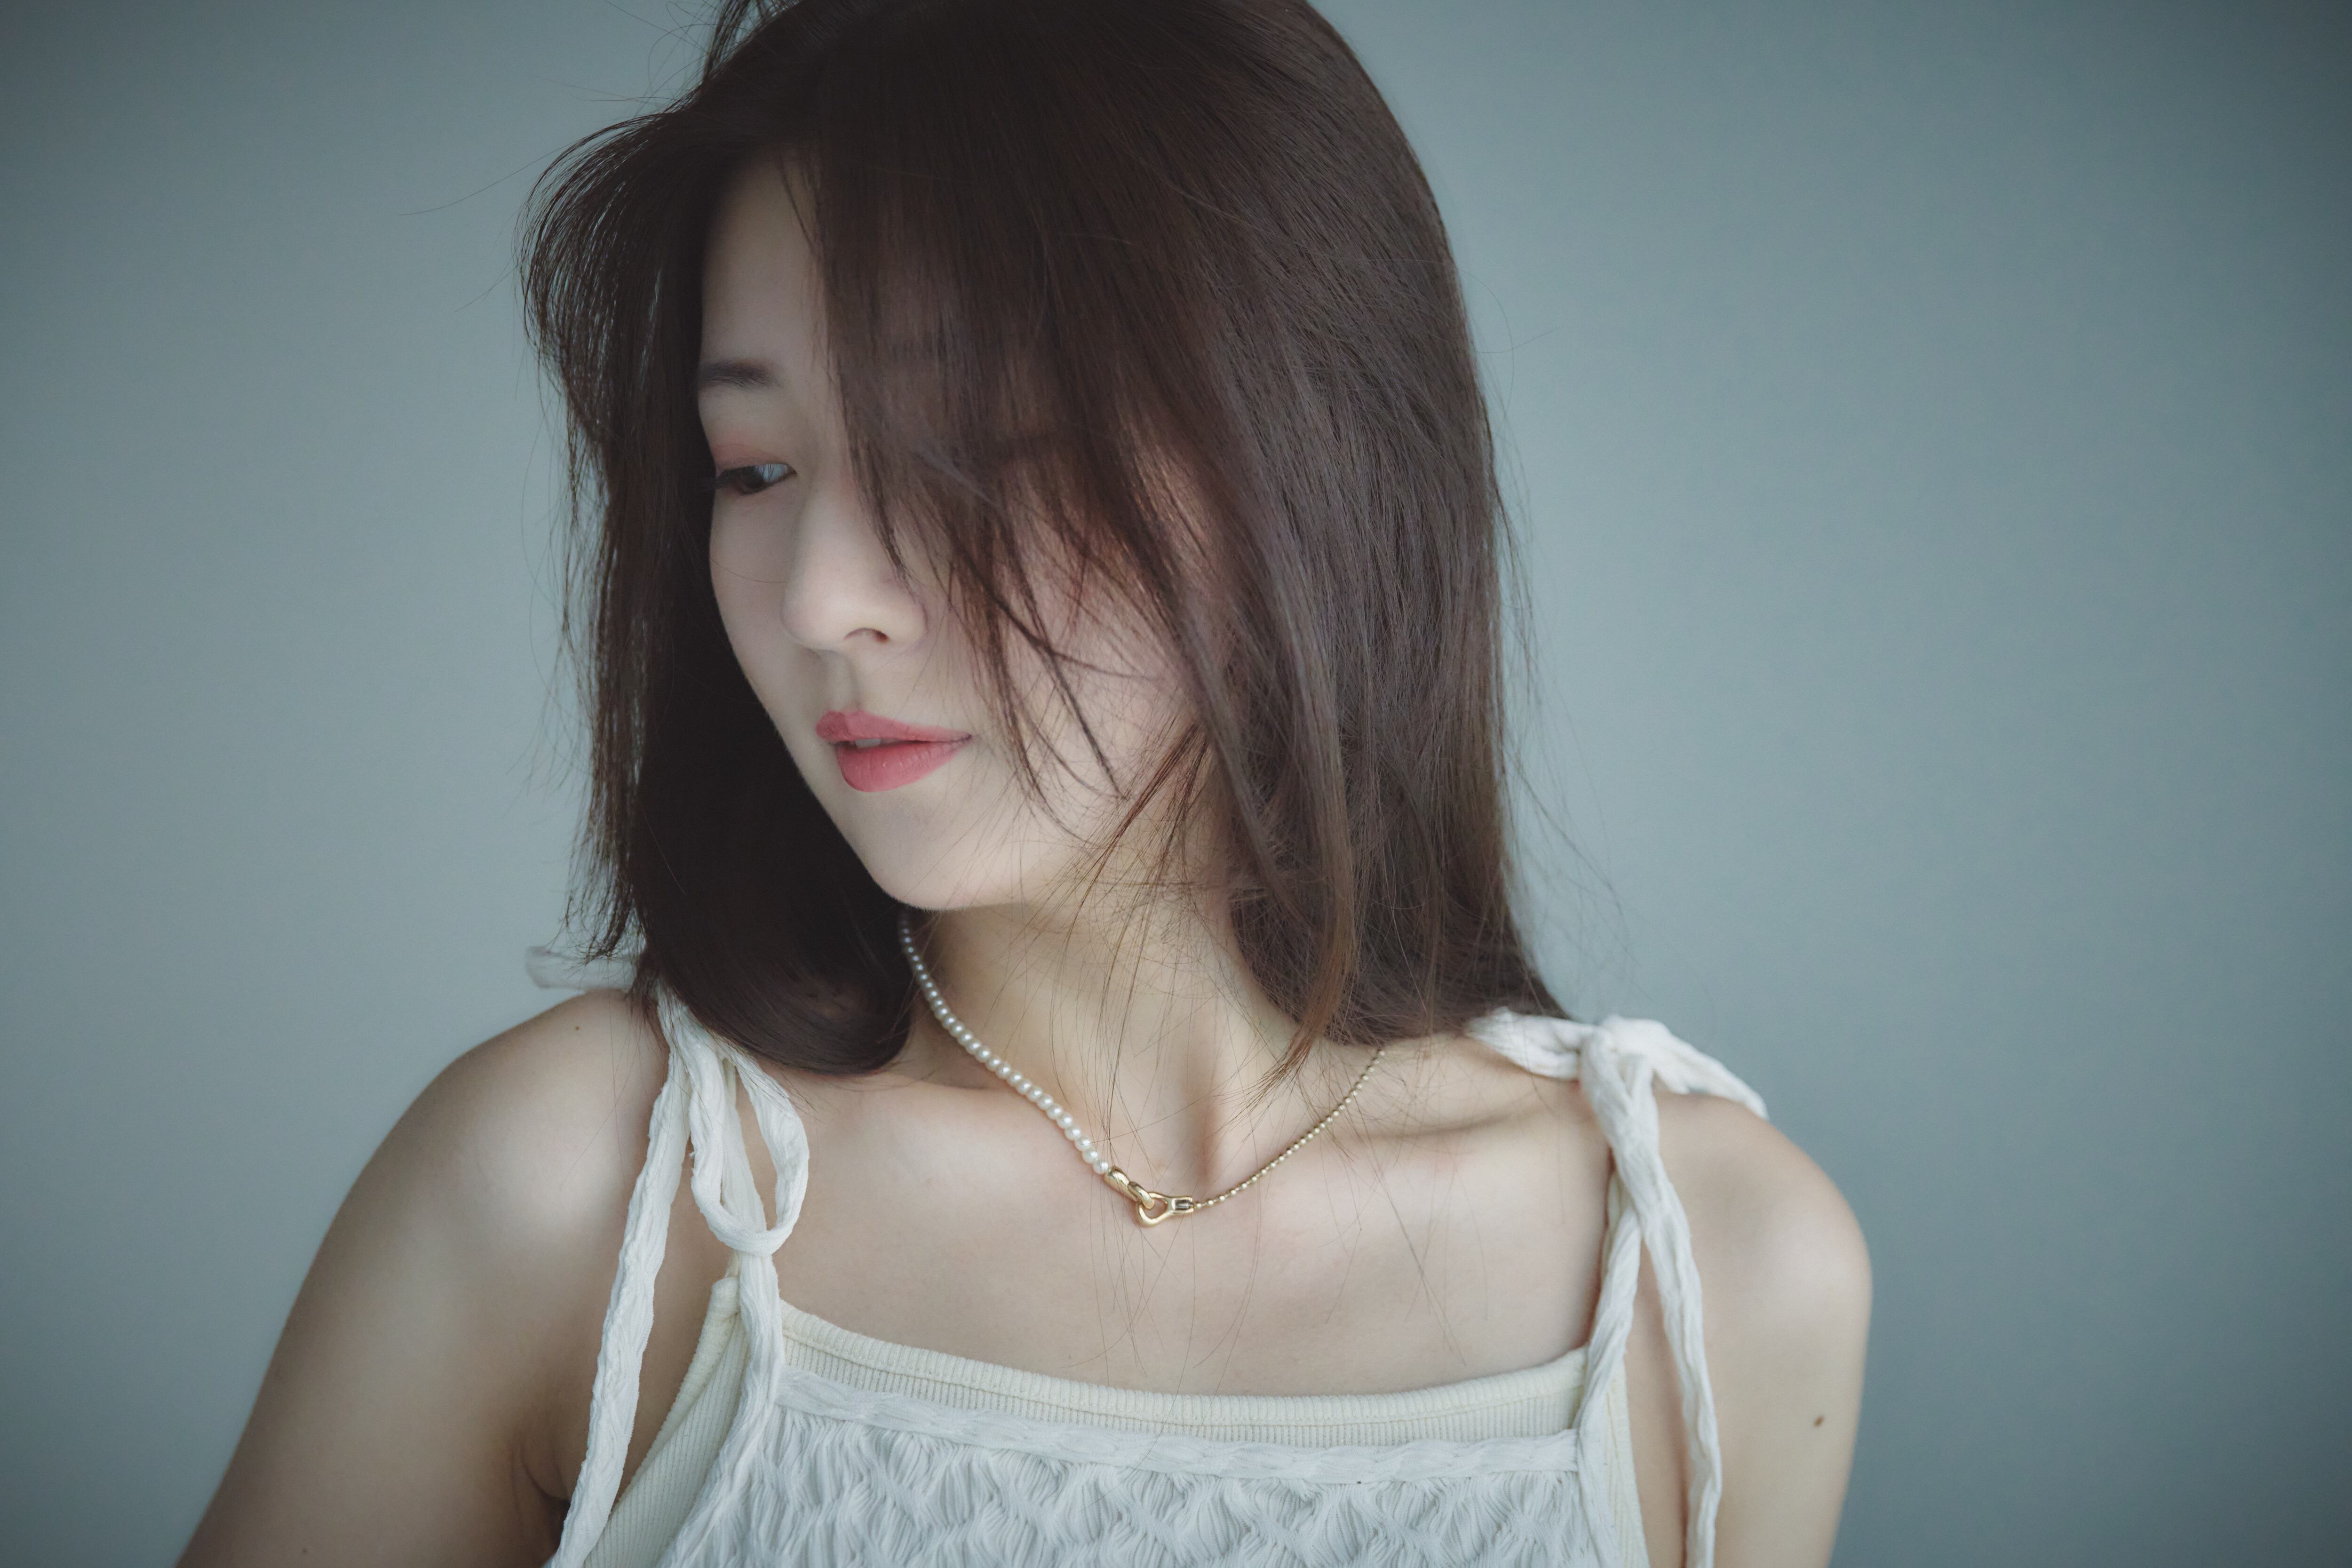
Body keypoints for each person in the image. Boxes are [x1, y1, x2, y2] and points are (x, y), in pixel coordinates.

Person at [181, 0, 1869, 1562]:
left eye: (967, 452)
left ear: (1308, 458)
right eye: (754, 468)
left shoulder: (1706, 1270)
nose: (823, 596)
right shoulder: (587, 1199)